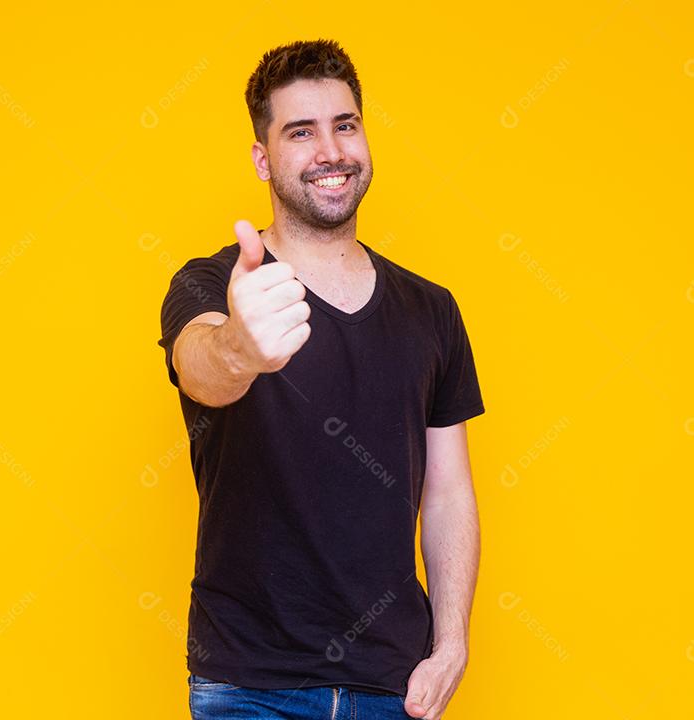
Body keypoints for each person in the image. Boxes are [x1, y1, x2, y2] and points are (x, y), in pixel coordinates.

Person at [157, 38, 487, 720]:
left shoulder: (433, 310)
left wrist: (452, 643)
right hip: (249, 685)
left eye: (345, 125)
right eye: (300, 132)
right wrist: (239, 348)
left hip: (394, 687)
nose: (330, 151)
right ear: (262, 158)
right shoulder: (212, 285)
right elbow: (200, 370)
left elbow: (448, 488)